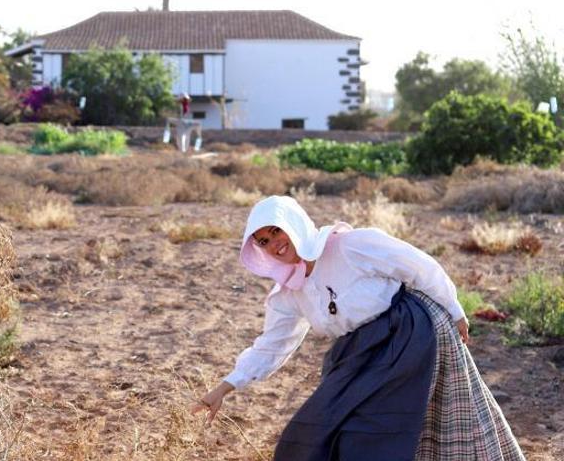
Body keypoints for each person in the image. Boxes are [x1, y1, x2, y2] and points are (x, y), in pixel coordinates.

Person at [192, 195, 524, 460]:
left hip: (411, 335)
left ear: (293, 224)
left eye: (276, 231)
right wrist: (224, 387)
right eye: (263, 241)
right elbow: (272, 345)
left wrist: (454, 309)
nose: (274, 244)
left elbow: (418, 266)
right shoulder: (289, 294)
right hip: (357, 354)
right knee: (318, 432)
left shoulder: (351, 245)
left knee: (419, 426)